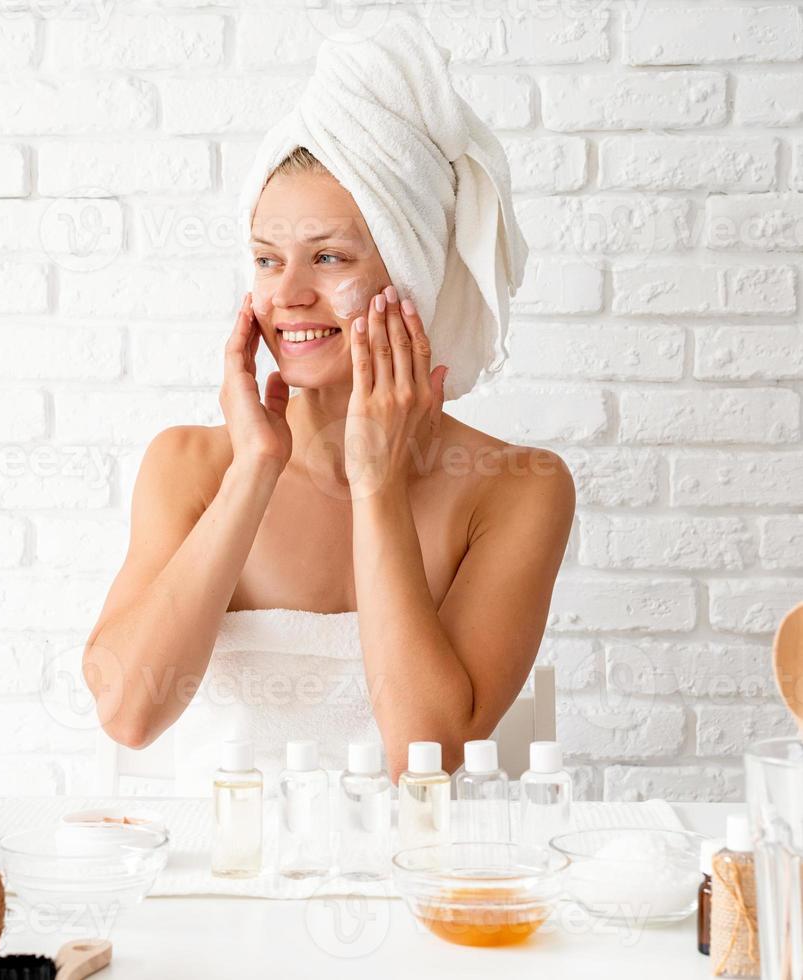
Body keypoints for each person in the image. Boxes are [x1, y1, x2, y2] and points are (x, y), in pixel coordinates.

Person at [81, 15, 575, 789]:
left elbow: (426, 757)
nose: (289, 294)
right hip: (223, 876)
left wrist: (376, 489)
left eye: (330, 257)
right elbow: (128, 714)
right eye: (266, 260)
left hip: (424, 885)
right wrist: (252, 470)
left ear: (410, 277)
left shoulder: (515, 489)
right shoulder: (187, 463)